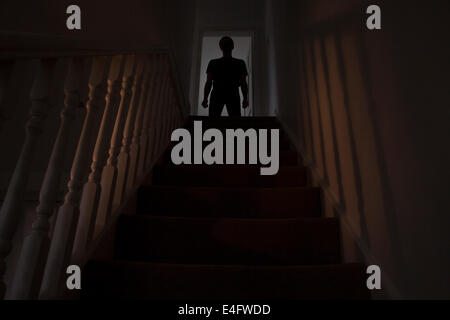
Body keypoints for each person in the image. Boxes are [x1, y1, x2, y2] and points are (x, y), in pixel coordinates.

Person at [201, 36, 249, 117]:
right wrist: (245, 99)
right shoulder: (240, 63)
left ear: (220, 47)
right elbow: (243, 82)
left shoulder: (213, 63)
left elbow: (209, 82)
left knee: (214, 120)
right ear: (233, 46)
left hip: (218, 93)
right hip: (232, 93)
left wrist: (205, 98)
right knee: (235, 121)